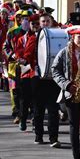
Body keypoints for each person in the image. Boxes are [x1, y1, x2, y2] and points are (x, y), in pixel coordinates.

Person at [51, 25, 80, 159]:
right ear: (72, 37)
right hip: (70, 93)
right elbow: (55, 71)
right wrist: (67, 85)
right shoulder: (64, 53)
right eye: (79, 37)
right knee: (74, 126)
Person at [22, 13, 62, 147]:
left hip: (52, 77)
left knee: (53, 109)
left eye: (47, 21)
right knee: (38, 109)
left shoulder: (57, 36)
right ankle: (39, 135)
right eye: (43, 21)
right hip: (38, 77)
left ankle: (53, 138)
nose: (45, 23)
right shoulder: (35, 38)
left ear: (51, 22)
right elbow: (27, 55)